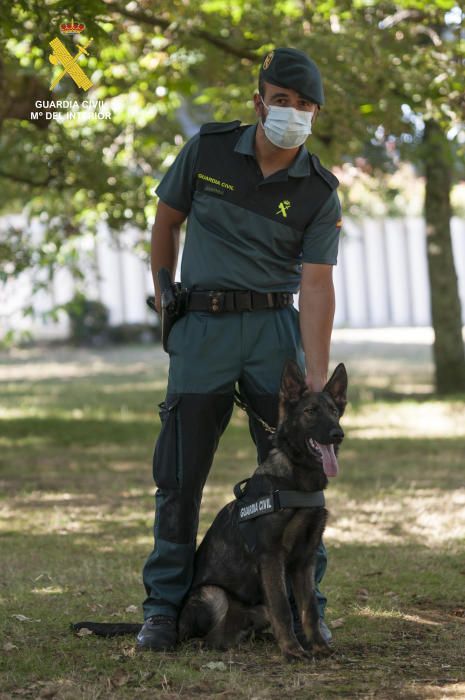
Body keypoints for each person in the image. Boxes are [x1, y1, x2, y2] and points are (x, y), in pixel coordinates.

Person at [137, 47, 343, 651]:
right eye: (282, 101)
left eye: (305, 105)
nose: (293, 113)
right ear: (260, 102)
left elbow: (316, 284)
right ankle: (163, 609)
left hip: (272, 334)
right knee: (179, 476)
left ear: (315, 113)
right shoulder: (206, 149)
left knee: (297, 476)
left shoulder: (319, 189)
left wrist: (313, 373)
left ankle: (311, 608)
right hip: (203, 327)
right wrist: (164, 294)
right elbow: (165, 222)